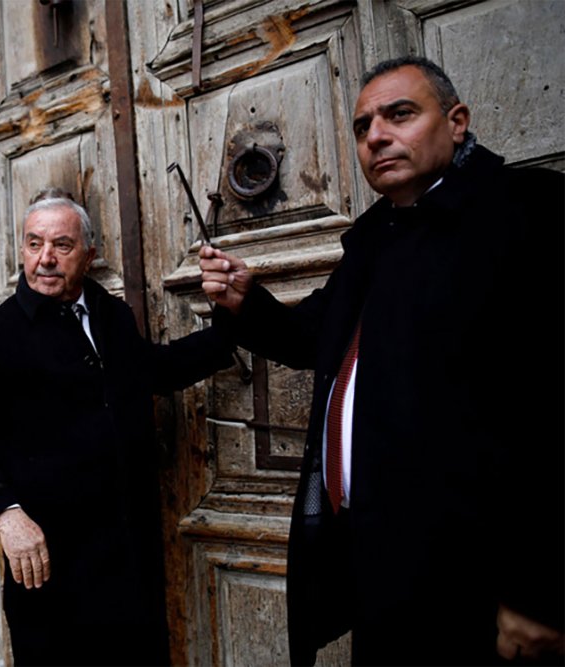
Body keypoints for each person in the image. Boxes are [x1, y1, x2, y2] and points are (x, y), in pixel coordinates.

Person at [200, 56, 564, 665]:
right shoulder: (377, 237)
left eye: (400, 114)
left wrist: (540, 591)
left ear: (456, 122)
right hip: (380, 562)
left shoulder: (530, 213)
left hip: (483, 581)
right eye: (364, 125)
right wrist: (246, 300)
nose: (377, 136)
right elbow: (314, 338)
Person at [0, 188, 235, 666]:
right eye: (34, 244)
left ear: (88, 255)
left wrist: (231, 326)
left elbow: (149, 371)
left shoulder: (109, 314)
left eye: (62, 246)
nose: (45, 259)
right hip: (50, 562)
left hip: (128, 551)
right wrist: (5, 514)